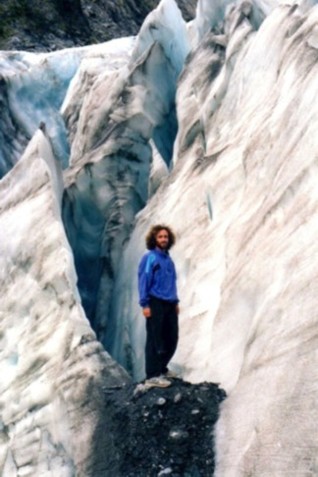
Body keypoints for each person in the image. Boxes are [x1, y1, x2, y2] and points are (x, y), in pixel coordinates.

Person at [138, 225, 179, 388]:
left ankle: (162, 368)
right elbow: (143, 280)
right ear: (154, 239)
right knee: (155, 338)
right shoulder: (150, 258)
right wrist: (145, 303)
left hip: (169, 303)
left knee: (172, 337)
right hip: (155, 302)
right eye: (160, 237)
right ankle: (152, 375)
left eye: (166, 237)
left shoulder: (168, 260)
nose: (163, 239)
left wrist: (175, 302)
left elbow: (172, 282)